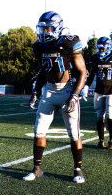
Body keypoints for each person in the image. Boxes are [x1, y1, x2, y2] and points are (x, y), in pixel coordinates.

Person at [24, 11, 87, 183]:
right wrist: (36, 92)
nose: (44, 33)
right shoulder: (40, 46)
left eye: (48, 29)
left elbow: (82, 71)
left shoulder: (69, 43)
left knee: (74, 134)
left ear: (58, 27)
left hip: (67, 91)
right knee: (38, 131)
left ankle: (78, 169)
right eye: (42, 29)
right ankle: (37, 168)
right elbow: (43, 71)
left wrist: (75, 95)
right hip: (49, 92)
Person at [83, 36, 112, 150]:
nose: (100, 51)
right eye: (98, 49)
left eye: (102, 49)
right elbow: (91, 74)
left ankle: (111, 141)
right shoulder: (95, 58)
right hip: (99, 90)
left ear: (108, 48)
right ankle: (101, 140)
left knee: (110, 115)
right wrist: (86, 86)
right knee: (99, 116)